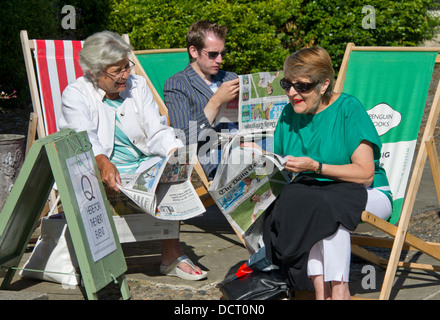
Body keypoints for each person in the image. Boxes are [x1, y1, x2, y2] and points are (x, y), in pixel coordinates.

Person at [59, 30, 207, 281]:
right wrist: (102, 161)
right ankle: (99, 260)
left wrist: (173, 151)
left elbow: (156, 129)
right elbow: (84, 138)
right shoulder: (76, 94)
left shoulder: (136, 85)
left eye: (126, 67)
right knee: (90, 179)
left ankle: (171, 254)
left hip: (141, 163)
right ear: (94, 72)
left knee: (172, 174)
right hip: (101, 168)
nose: (125, 75)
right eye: (116, 71)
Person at [262, 46, 392, 299]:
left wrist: (316, 167)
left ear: (324, 85)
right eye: (287, 84)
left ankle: (339, 289)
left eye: (302, 87)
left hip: (368, 192)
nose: (292, 93)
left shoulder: (348, 108)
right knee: (302, 201)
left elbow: (365, 174)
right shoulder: (289, 114)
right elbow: (282, 166)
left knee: (325, 206)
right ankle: (322, 293)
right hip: (318, 196)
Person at [164, 20, 240, 180]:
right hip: (213, 154)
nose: (219, 60)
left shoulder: (230, 78)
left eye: (222, 54)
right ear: (194, 51)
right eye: (213, 54)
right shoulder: (177, 84)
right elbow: (184, 137)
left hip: (244, 144)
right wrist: (216, 101)